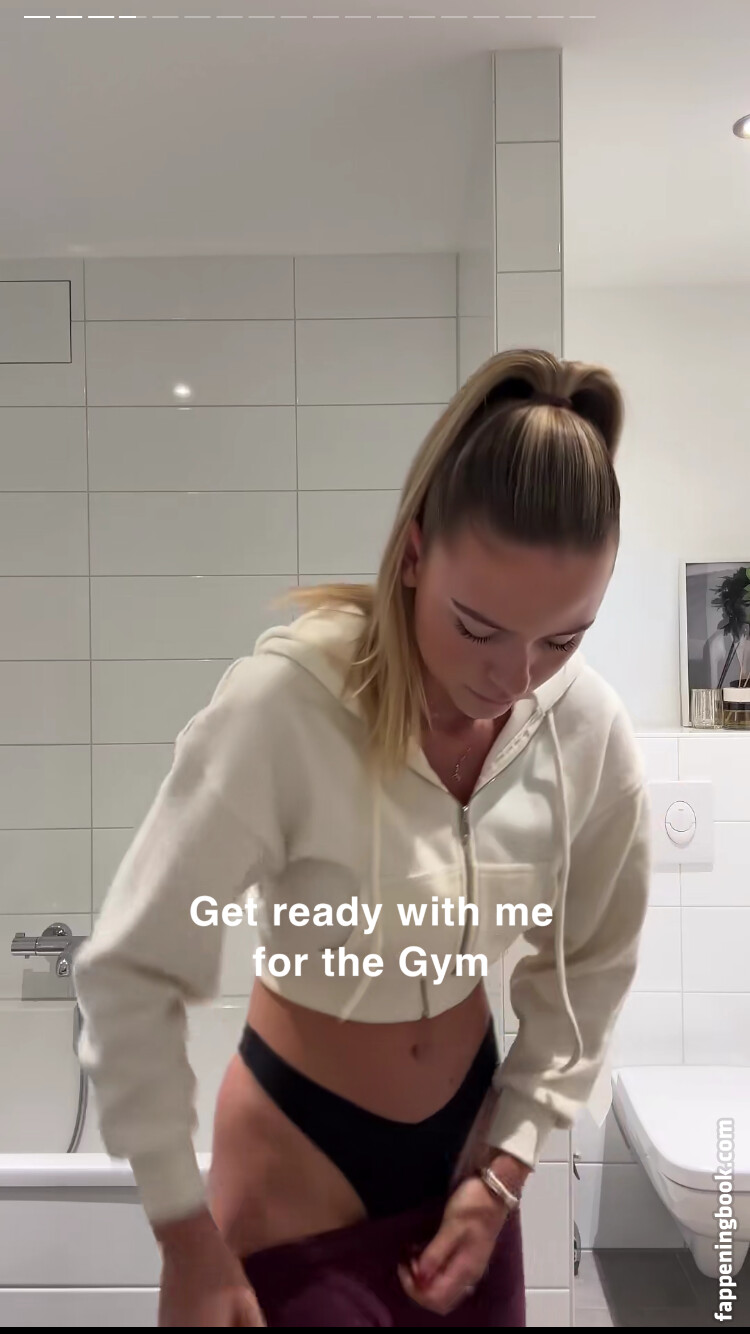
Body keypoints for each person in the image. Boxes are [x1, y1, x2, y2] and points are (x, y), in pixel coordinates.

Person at [74, 348, 651, 1328]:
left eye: (562, 638)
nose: (514, 679)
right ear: (415, 554)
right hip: (299, 1157)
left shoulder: (587, 728)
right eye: (478, 627)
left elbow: (589, 969)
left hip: (469, 1161)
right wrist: (182, 1229)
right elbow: (131, 968)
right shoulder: (287, 706)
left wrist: (507, 1165)